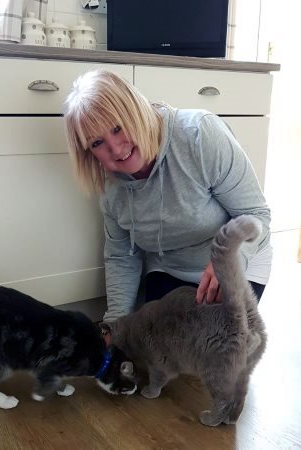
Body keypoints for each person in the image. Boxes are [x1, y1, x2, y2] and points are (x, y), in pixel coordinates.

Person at [64, 69, 272, 323]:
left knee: (209, 352)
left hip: (235, 263)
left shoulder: (199, 134)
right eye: (97, 143)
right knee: (156, 353)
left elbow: (256, 216)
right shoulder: (110, 187)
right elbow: (121, 256)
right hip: (168, 267)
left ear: (136, 112)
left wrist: (228, 262)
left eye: (118, 128)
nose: (115, 149)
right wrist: (114, 323)